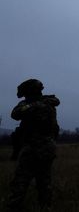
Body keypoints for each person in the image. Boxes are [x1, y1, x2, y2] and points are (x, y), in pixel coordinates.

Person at [7, 79, 60, 211]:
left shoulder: (33, 105)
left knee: (21, 180)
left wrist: (30, 105)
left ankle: (15, 206)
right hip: (48, 147)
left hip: (33, 147)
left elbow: (15, 114)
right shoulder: (48, 103)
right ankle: (45, 206)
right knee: (44, 180)